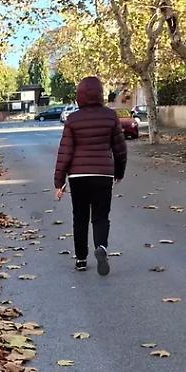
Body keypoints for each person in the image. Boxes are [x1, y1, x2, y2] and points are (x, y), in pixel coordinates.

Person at [54, 75, 127, 274]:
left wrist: (59, 182)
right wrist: (118, 172)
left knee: (80, 217)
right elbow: (120, 149)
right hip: (103, 174)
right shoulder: (110, 117)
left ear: (80, 95)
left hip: (77, 177)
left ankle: (80, 260)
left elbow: (65, 152)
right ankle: (101, 247)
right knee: (101, 216)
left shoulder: (73, 119)